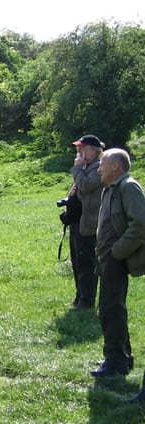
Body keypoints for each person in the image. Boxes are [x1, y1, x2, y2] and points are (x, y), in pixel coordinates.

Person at [90, 148, 145, 377]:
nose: (99, 168)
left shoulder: (128, 186)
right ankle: (121, 357)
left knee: (111, 309)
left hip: (115, 258)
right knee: (109, 309)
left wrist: (117, 252)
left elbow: (140, 224)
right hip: (107, 258)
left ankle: (115, 362)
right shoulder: (110, 189)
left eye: (102, 163)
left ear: (116, 167)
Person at [68, 134, 104, 310]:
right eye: (78, 147)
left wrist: (76, 169)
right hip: (78, 221)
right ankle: (79, 295)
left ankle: (87, 300)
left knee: (86, 263)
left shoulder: (99, 167)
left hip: (89, 223)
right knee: (76, 261)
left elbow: (86, 185)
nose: (79, 151)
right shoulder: (86, 166)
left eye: (83, 147)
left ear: (94, 150)